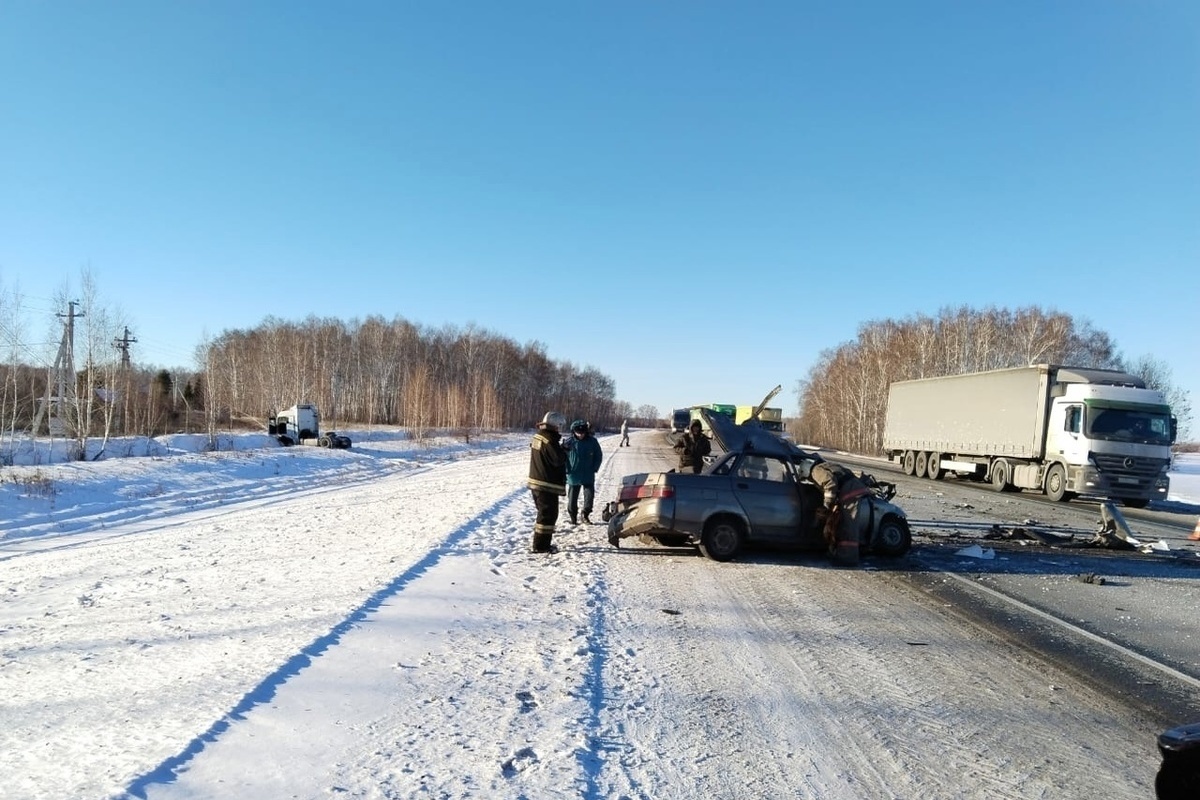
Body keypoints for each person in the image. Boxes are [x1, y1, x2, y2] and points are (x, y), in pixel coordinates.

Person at [809, 460, 872, 566]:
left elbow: (830, 483)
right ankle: (841, 554)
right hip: (853, 488)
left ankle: (848, 559)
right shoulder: (826, 465)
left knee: (849, 526)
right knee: (844, 525)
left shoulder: (815, 471)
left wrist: (827, 504)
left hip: (851, 492)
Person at [527, 411, 567, 553]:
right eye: (559, 426)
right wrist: (565, 450)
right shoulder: (549, 439)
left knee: (543, 514)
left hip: (537, 482)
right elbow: (558, 460)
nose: (559, 429)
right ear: (555, 425)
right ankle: (541, 546)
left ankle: (540, 543)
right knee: (547, 515)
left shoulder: (539, 436)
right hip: (546, 484)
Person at [564, 419, 604, 524]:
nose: (581, 435)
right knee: (572, 498)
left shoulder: (592, 441)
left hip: (588, 473)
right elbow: (563, 457)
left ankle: (585, 514)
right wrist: (567, 469)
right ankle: (573, 517)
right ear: (573, 432)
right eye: (578, 433)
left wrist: (595, 467)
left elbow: (598, 455)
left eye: (583, 433)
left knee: (589, 497)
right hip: (573, 474)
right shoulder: (568, 442)